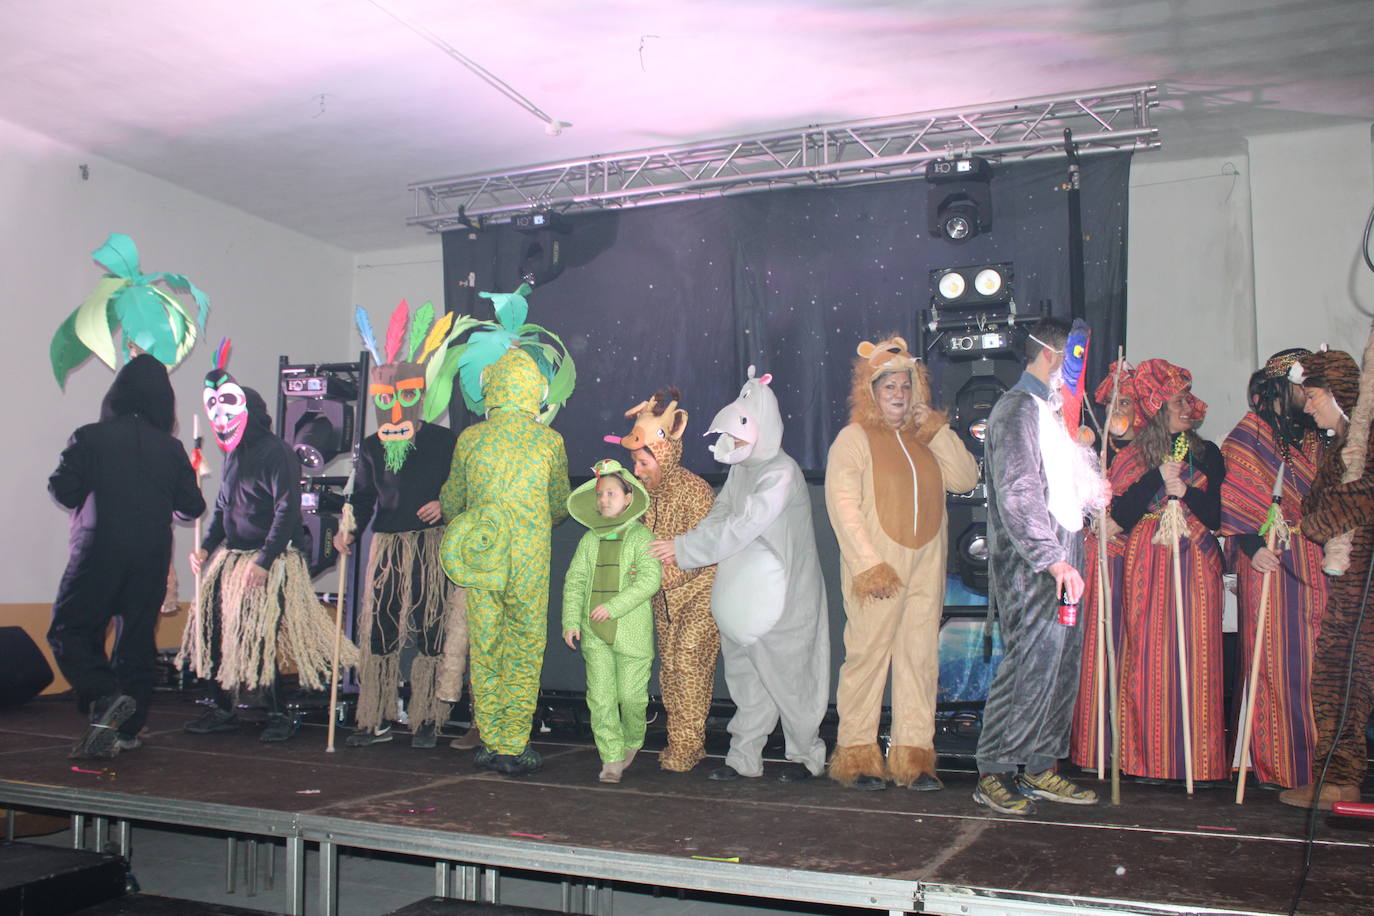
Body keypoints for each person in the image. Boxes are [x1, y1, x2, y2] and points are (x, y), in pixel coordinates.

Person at [651, 367, 830, 783]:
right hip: (743, 596)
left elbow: (745, 523)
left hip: (785, 600)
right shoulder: (742, 471)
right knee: (747, 678)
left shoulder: (780, 473)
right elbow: (722, 515)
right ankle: (742, 756)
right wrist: (686, 544)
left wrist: (683, 550)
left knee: (791, 678)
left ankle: (807, 755)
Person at [824, 336, 978, 791]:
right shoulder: (853, 439)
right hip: (879, 571)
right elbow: (842, 505)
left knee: (920, 660)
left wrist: (935, 429)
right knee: (867, 659)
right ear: (871, 391)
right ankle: (857, 756)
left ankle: (913, 758)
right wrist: (867, 564)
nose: (898, 393)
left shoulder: (924, 438)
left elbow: (966, 477)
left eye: (905, 385)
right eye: (888, 385)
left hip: (926, 567)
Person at [181, 343, 355, 741]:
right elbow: (224, 510)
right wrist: (206, 549)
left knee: (259, 633)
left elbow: (287, 512)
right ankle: (221, 706)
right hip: (232, 555)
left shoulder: (278, 453)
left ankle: (277, 713)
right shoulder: (232, 456)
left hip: (272, 560)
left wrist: (264, 562)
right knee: (212, 629)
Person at [974, 318, 1107, 815]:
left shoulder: (1055, 415)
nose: (1076, 374)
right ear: (1051, 355)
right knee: (1031, 661)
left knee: (1060, 662)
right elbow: (1018, 490)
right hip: (1032, 566)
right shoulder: (1015, 409)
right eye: (1071, 360)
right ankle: (994, 767)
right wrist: (1051, 560)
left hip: (1064, 557)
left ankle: (1040, 764)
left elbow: (1066, 489)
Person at [49, 355, 206, 758]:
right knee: (135, 643)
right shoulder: (171, 449)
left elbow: (64, 490)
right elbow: (192, 509)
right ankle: (127, 731)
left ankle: (104, 696)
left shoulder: (89, 437)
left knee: (71, 631)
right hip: (151, 555)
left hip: (97, 550)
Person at [440, 347, 571, 776]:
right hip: (529, 559)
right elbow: (559, 504)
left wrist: (469, 520)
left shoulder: (470, 439)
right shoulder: (550, 442)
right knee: (525, 647)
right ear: (537, 391)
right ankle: (515, 744)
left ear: (491, 388)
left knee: (487, 644)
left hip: (483, 556)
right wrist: (533, 525)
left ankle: (492, 739)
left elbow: (451, 501)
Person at [337, 304, 461, 749]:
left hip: (431, 545)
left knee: (431, 626)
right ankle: (377, 716)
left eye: (405, 396)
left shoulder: (443, 440)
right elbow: (365, 495)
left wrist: (443, 504)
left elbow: (461, 488)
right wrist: (347, 528)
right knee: (383, 628)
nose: (395, 407)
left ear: (420, 395)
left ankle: (428, 717)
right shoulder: (371, 446)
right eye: (385, 399)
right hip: (388, 546)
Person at [1108, 358, 1227, 785]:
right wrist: (1155, 480)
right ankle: (1148, 760)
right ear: (1159, 406)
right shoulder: (1136, 455)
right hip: (1148, 559)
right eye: (1178, 401)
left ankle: (1196, 761)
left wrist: (1187, 492)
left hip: (1195, 558)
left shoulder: (1208, 453)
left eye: (1187, 400)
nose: (1188, 407)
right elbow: (1119, 512)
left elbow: (1218, 516)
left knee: (1198, 654)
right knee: (1147, 655)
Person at [1220, 348, 1327, 790]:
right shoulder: (1252, 433)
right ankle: (1278, 765)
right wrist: (1249, 545)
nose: (1311, 395)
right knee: (1276, 665)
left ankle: (1320, 767)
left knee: (1317, 666)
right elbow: (1234, 498)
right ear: (1286, 385)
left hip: (1316, 561)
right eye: (1306, 386)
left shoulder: (1318, 436)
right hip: (1270, 560)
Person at [1279, 348, 1372, 810]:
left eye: (1313, 396)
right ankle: (1338, 780)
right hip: (1352, 587)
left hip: (1368, 584)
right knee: (1338, 679)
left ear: (1339, 394)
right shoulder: (1342, 450)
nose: (1308, 406)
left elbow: (1334, 510)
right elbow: (1313, 510)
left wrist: (1329, 514)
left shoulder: (1366, 443)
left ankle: (1340, 778)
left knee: (1347, 678)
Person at [611, 388, 719, 773]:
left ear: (664, 452)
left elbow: (704, 550)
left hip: (697, 597)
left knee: (689, 664)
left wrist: (655, 579)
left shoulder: (695, 492)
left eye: (643, 462)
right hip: (663, 602)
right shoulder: (642, 496)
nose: (638, 471)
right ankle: (681, 741)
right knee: (670, 668)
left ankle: (688, 746)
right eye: (634, 463)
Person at [561, 459, 663, 783]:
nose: (604, 500)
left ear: (628, 497)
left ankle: (633, 739)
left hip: (630, 635)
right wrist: (570, 622)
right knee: (601, 698)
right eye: (600, 495)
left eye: (611, 494)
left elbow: (650, 580)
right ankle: (611, 756)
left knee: (631, 698)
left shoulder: (641, 537)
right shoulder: (588, 540)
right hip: (594, 636)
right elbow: (575, 581)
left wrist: (614, 607)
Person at [1069, 359, 1138, 771]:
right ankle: (1090, 748)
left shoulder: (1150, 451)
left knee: (1130, 653)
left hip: (1132, 564)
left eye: (1126, 401)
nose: (1119, 410)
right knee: (1087, 651)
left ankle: (1126, 749)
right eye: (1112, 402)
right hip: (1090, 560)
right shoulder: (1093, 449)